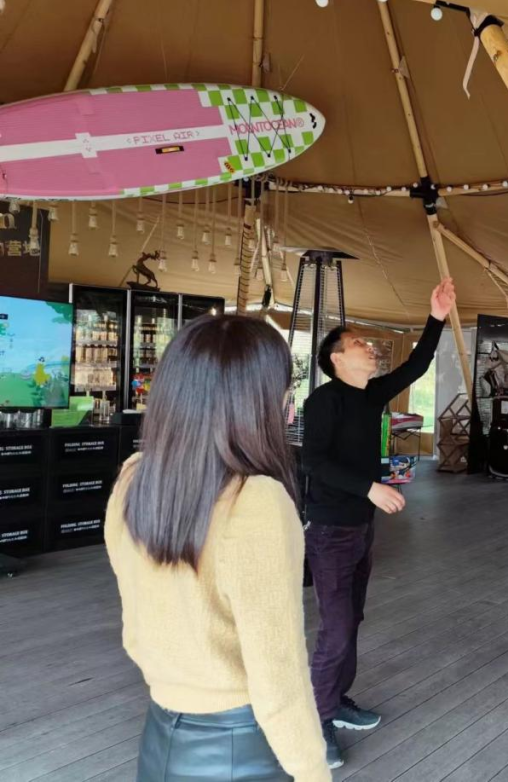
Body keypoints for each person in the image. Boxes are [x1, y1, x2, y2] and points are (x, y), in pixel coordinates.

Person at [104, 315, 328, 782]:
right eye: (284, 391)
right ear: (259, 403)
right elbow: (277, 673)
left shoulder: (134, 477)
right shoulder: (257, 501)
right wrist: (312, 771)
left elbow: (136, 618)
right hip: (239, 749)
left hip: (160, 738)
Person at [303, 277, 455, 768]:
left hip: (360, 529)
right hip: (330, 530)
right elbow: (313, 461)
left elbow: (418, 364)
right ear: (336, 359)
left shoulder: (370, 395)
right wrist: (369, 487)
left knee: (351, 620)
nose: (368, 347)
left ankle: (336, 700)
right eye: (358, 344)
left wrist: (436, 317)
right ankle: (316, 722)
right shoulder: (323, 401)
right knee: (336, 629)